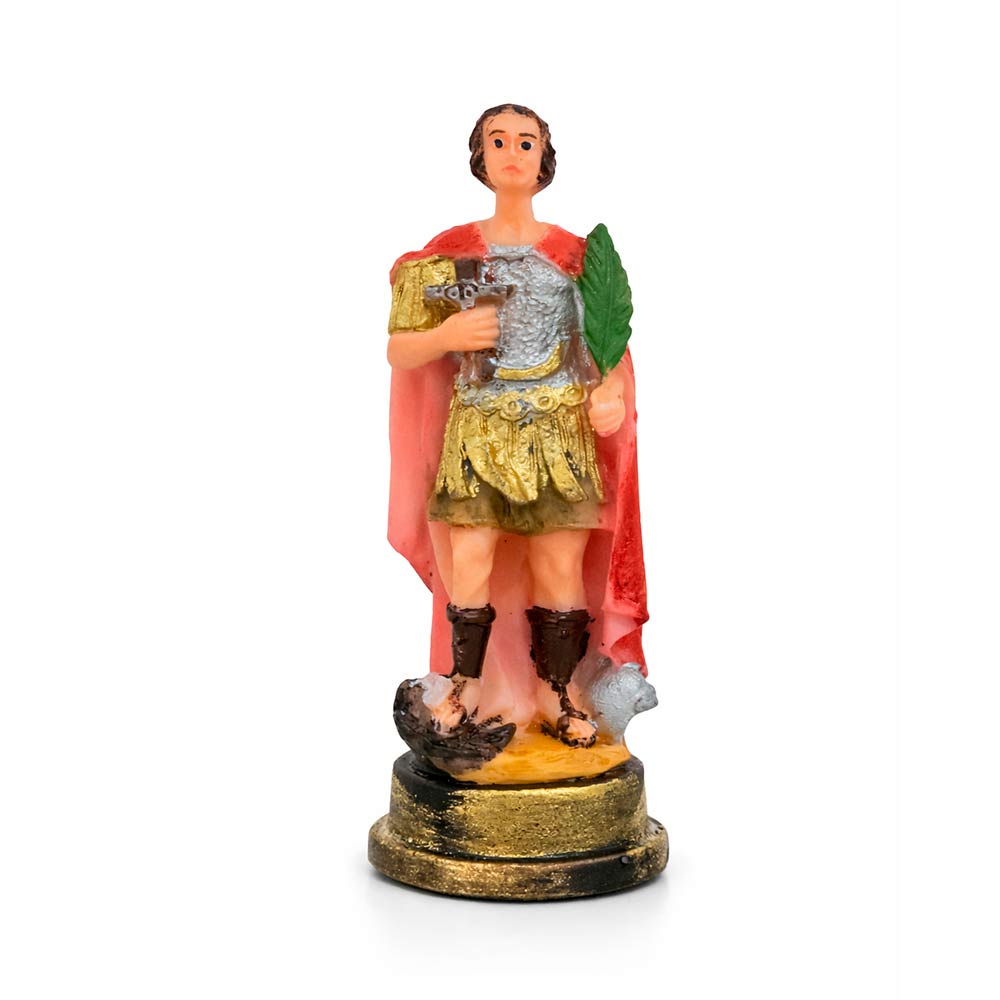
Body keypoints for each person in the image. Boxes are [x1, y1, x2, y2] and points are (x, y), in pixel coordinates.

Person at [386, 104, 647, 755]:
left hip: (558, 431)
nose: (511, 152)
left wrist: (611, 395)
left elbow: (607, 350)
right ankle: (466, 685)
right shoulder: (448, 254)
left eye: (525, 142)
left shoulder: (575, 258)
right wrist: (445, 335)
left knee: (557, 565)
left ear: (543, 160)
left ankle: (559, 692)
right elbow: (399, 348)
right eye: (497, 140)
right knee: (470, 557)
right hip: (478, 429)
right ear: (480, 157)